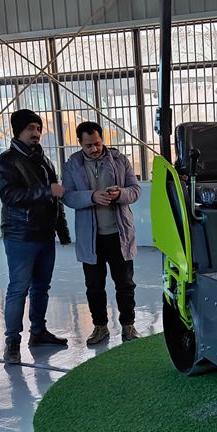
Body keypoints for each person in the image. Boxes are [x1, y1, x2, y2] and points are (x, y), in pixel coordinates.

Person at [0, 109, 71, 364]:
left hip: (45, 235)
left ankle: (38, 332)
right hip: (20, 235)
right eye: (30, 128)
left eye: (38, 128)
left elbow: (56, 199)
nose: (36, 133)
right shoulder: (6, 161)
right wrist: (46, 190)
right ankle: (12, 342)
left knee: (41, 288)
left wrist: (62, 230)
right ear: (18, 131)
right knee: (18, 289)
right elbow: (10, 196)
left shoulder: (43, 160)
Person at [61, 121, 141, 344]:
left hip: (119, 234)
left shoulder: (120, 159)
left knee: (125, 284)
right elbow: (66, 195)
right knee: (94, 286)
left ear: (102, 139)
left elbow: (135, 190)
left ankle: (128, 326)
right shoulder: (72, 165)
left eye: (97, 143)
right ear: (80, 143)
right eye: (88, 145)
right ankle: (100, 327)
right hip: (91, 238)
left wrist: (120, 194)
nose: (94, 149)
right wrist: (91, 197)